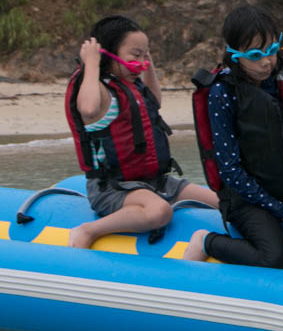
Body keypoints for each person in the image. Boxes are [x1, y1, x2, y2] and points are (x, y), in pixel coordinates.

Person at [183, 5, 283, 267]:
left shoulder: (282, 80)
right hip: (247, 201)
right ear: (235, 55)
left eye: (271, 50)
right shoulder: (222, 94)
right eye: (256, 54)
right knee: (274, 257)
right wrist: (282, 211)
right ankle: (206, 241)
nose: (267, 61)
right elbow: (230, 170)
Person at [65, 15, 218, 248]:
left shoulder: (130, 84)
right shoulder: (99, 89)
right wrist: (92, 64)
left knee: (222, 201)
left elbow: (154, 101)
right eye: (136, 55)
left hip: (154, 181)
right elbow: (87, 108)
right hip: (113, 188)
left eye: (145, 55)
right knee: (160, 212)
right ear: (107, 53)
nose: (142, 62)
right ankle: (88, 230)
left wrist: (147, 62)